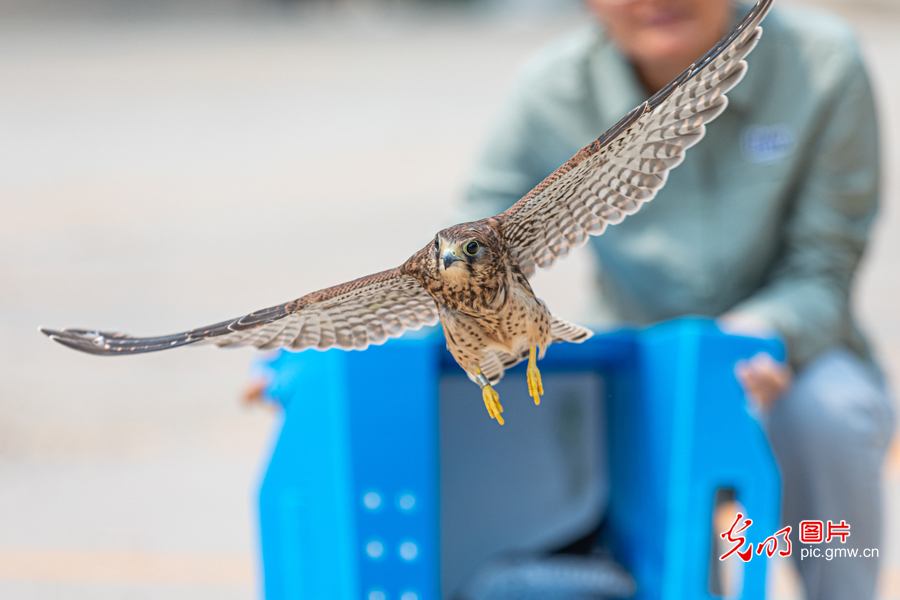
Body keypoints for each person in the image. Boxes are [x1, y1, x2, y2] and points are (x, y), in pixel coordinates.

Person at [460, 1, 895, 598]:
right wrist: (331, 347)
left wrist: (751, 337)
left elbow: (825, 266)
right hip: (639, 357)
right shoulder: (552, 90)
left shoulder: (821, 64)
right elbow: (467, 247)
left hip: (790, 350)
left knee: (833, 415)